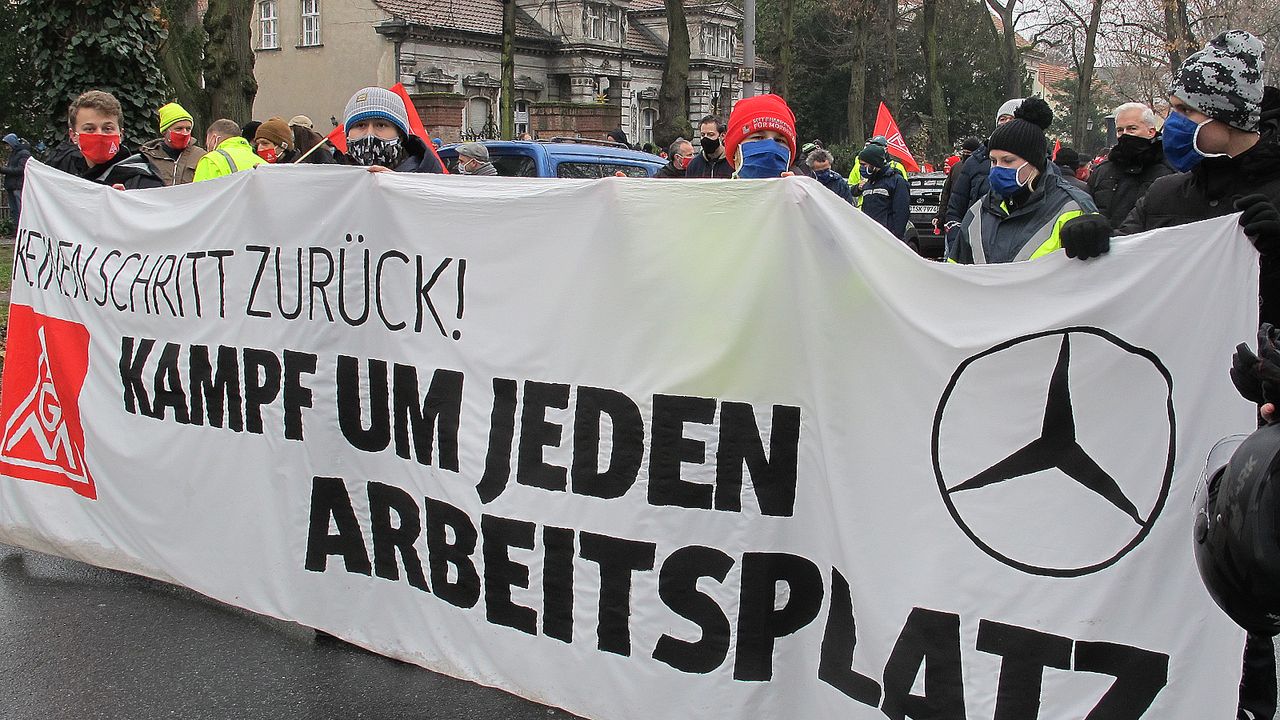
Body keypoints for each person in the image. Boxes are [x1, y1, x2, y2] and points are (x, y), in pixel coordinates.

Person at [1115, 37, 1280, 717]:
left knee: (1241, 584)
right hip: (1168, 419)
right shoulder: (1167, 195)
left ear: (1228, 116)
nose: (1173, 121)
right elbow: (1122, 278)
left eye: (1186, 109)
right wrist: (1091, 247)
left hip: (1257, 436)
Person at [946, 97, 1108, 264]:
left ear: (1034, 162)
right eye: (993, 161)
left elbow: (1095, 270)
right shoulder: (978, 212)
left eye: (1008, 160)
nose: (997, 168)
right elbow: (955, 272)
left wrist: (1098, 233)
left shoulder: (1072, 207)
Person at [944, 98, 1024, 255]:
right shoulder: (975, 162)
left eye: (1012, 118)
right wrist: (958, 245)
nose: (1006, 123)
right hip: (976, 251)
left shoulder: (1040, 165)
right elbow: (955, 209)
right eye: (1002, 118)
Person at [1087, 102, 1175, 229]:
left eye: (1132, 129)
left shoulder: (1169, 169)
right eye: (1120, 130)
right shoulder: (1103, 170)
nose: (1125, 134)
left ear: (1151, 131)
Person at [63, 90, 163, 189]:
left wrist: (124, 198)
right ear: (73, 136)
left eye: (107, 128)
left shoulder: (142, 180)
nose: (99, 134)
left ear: (121, 135)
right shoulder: (67, 173)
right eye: (90, 129)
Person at [340, 87, 444, 174]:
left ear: (400, 134)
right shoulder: (336, 181)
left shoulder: (431, 183)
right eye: (360, 125)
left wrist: (397, 186)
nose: (369, 134)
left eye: (381, 125)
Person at [722, 94, 799, 179]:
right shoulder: (715, 187)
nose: (770, 147)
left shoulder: (800, 186)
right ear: (735, 153)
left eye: (779, 140)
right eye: (758, 137)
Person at [138, 102, 206, 186]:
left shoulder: (201, 156)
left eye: (188, 129)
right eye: (179, 129)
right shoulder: (148, 156)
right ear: (165, 131)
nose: (184, 133)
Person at [855, 144, 910, 236]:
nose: (861, 168)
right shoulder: (869, 183)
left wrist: (895, 237)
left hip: (888, 237)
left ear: (874, 163)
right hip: (870, 235)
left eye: (864, 165)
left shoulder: (896, 181)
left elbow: (901, 212)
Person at [193, 118, 265, 182]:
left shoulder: (211, 160)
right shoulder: (261, 162)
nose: (206, 144)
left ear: (214, 138)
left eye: (207, 140)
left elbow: (200, 191)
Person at [935, 137, 982, 234]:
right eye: (964, 152)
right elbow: (946, 194)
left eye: (969, 153)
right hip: (956, 217)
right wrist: (941, 216)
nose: (966, 155)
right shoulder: (956, 168)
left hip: (971, 217)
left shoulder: (980, 168)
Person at [1, 134, 31, 224]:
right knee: (15, 211)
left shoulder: (23, 153)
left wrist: (3, 169)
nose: (6, 148)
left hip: (18, 186)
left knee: (19, 210)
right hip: (13, 186)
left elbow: (21, 170)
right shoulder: (15, 154)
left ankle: (22, 228)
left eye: (8, 145)